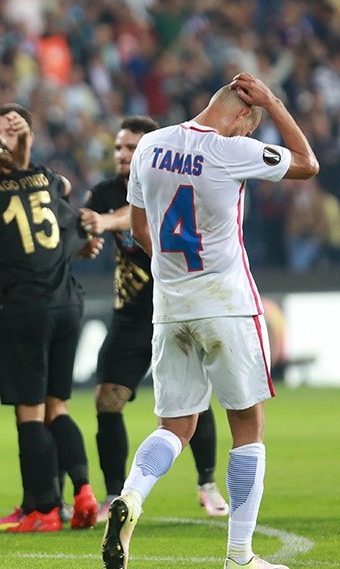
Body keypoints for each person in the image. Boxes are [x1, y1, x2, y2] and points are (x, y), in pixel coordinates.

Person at [101, 72, 319, 569]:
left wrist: (173, 274)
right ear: (242, 115)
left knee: (174, 427)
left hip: (170, 306)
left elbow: (138, 229)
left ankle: (131, 495)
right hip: (226, 304)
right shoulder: (230, 151)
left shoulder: (150, 144)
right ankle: (240, 555)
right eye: (250, 124)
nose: (247, 135)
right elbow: (308, 164)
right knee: (247, 427)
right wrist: (275, 101)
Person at [80, 116, 229, 522]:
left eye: (131, 148)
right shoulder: (106, 190)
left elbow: (132, 218)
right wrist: (85, 243)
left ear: (151, 150)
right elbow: (85, 228)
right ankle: (113, 494)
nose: (123, 155)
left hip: (177, 307)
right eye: (118, 148)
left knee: (195, 400)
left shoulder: (170, 182)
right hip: (130, 315)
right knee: (107, 398)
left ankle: (207, 483)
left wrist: (105, 222)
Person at [0, 129, 95, 532]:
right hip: (69, 304)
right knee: (59, 407)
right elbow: (78, 230)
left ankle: (44, 510)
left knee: (29, 412)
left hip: (25, 309)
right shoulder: (47, 178)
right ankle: (83, 489)